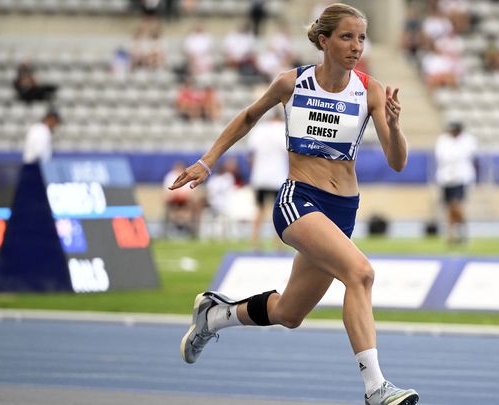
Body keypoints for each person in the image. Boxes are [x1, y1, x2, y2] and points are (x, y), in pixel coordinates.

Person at [170, 4, 419, 404]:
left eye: (361, 38)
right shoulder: (293, 83)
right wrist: (207, 161)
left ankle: (214, 316)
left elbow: (398, 161)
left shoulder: (370, 90)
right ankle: (376, 388)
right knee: (360, 273)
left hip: (342, 211)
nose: (356, 46)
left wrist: (394, 124)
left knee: (289, 313)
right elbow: (248, 116)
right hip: (297, 199)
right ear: (324, 41)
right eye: (347, 37)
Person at [246, 110, 289, 250]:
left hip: (260, 176)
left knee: (259, 209)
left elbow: (250, 156)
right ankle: (277, 242)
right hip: (277, 176)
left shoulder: (259, 130)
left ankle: (254, 241)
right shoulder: (283, 129)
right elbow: (288, 151)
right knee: (279, 211)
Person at [434, 121, 477, 245]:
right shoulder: (443, 140)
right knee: (449, 208)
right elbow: (442, 156)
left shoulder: (467, 140)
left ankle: (463, 229)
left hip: (460, 177)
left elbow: (465, 156)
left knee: (456, 205)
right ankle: (451, 235)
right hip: (445, 178)